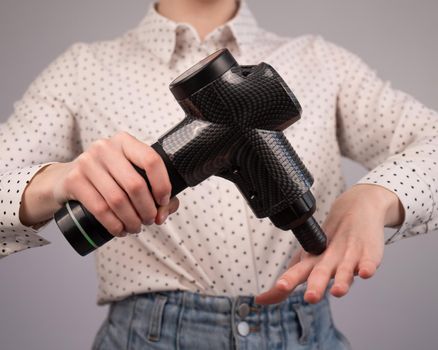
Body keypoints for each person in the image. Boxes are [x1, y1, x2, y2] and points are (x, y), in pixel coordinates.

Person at [0, 0, 437, 349]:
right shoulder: (82, 71)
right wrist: (55, 181)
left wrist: (377, 195)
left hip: (308, 333)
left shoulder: (323, 63)